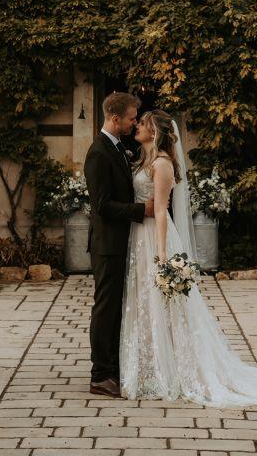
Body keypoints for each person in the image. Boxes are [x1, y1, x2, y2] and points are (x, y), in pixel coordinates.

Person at [118, 109, 257, 407]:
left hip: (154, 238)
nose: (138, 127)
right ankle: (150, 366)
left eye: (143, 124)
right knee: (146, 302)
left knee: (165, 304)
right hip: (139, 238)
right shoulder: (143, 160)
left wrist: (161, 253)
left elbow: (161, 210)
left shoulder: (161, 164)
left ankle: (171, 370)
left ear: (155, 132)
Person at [84, 91, 153, 398]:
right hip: (108, 245)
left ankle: (113, 367)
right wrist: (141, 211)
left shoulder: (118, 148)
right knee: (106, 309)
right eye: (131, 118)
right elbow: (101, 205)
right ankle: (100, 375)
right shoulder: (98, 152)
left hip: (121, 241)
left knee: (115, 310)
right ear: (115, 119)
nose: (133, 122)